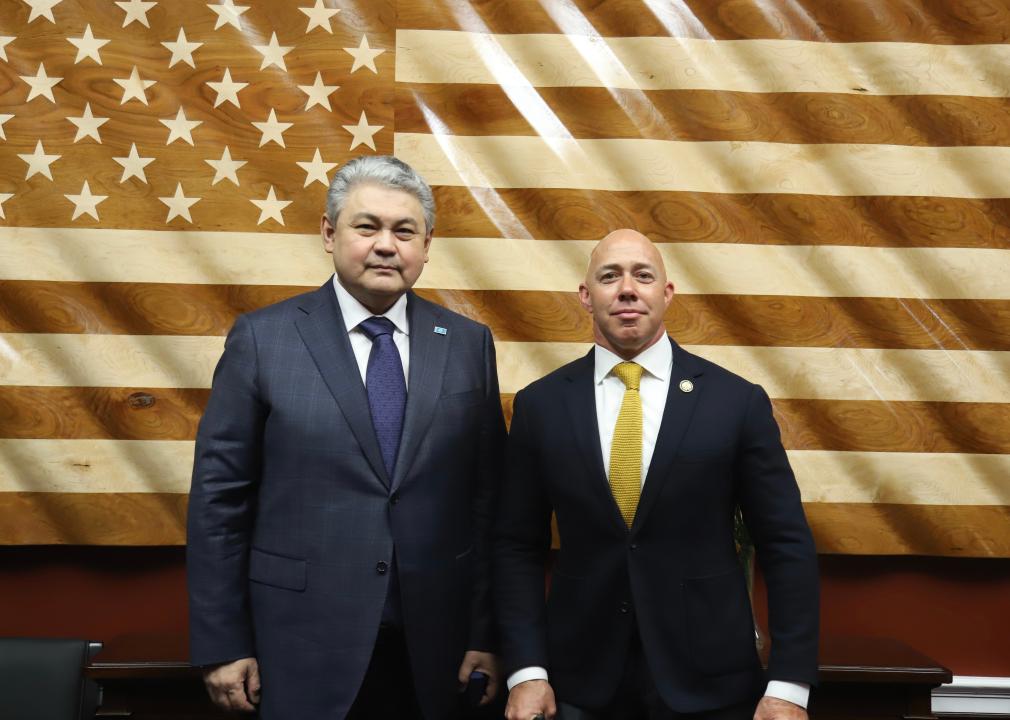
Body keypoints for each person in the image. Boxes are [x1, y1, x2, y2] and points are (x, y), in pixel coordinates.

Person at [187, 155, 505, 719]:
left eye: (404, 231)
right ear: (330, 234)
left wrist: (486, 633)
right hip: (298, 645)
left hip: (435, 650)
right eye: (367, 226)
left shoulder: (467, 344)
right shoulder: (264, 339)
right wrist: (223, 643)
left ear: (427, 245)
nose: (386, 245)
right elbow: (219, 502)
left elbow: (487, 503)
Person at [495, 229, 819, 720]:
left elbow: (785, 543)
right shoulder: (541, 406)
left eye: (643, 276)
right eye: (610, 276)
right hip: (577, 685)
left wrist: (789, 686)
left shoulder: (736, 402)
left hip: (710, 686)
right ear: (586, 296)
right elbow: (516, 545)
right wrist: (526, 671)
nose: (627, 289)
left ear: (667, 293)